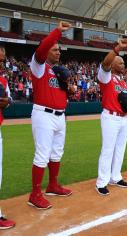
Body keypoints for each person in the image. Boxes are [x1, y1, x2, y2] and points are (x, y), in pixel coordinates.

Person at [28, 21, 73, 210]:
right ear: (47, 52)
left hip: (60, 116)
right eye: (55, 50)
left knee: (56, 153)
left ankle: (52, 185)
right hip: (43, 115)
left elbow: (61, 94)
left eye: (59, 50)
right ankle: (35, 194)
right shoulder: (39, 67)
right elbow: (41, 49)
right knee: (42, 155)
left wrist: (68, 89)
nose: (58, 52)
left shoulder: (57, 72)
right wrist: (57, 32)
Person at [95, 38, 127, 195]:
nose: (123, 65)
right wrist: (117, 49)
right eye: (120, 63)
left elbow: (124, 102)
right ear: (113, 64)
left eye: (124, 63)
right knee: (108, 149)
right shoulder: (106, 76)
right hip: (110, 117)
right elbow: (105, 63)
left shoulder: (123, 82)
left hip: (123, 118)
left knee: (120, 149)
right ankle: (101, 182)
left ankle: (115, 177)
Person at [0, 44, 15, 229]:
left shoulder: (2, 80)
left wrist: (7, 102)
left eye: (3, 60)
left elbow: (9, 99)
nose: (2, 63)